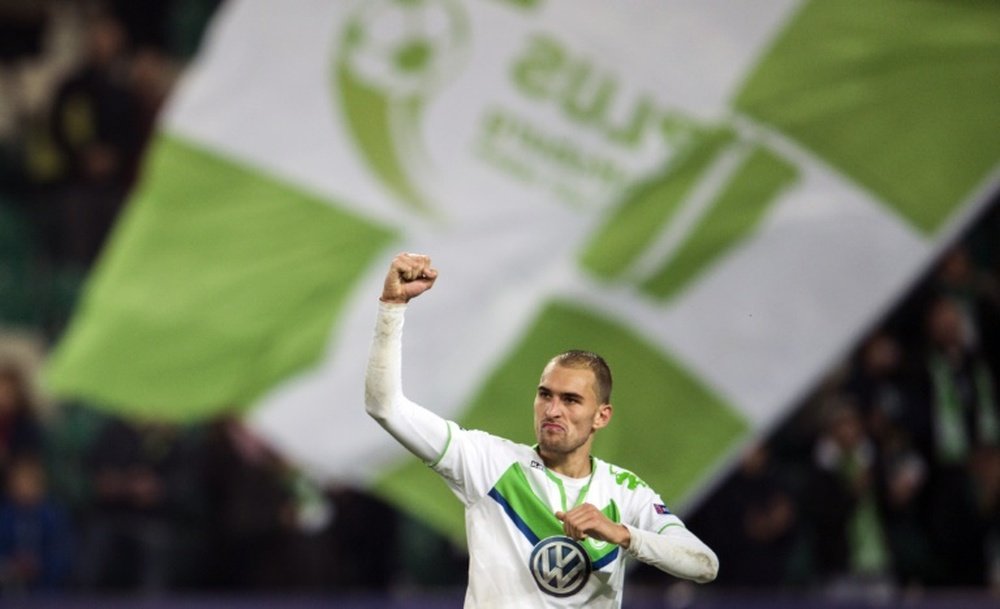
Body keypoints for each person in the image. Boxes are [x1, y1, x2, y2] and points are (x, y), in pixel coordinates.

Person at [364, 252, 718, 608]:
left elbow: (704, 564)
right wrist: (392, 307)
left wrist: (621, 534)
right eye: (545, 395)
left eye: (571, 400)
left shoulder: (624, 493)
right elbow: (385, 407)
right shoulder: (487, 462)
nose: (553, 410)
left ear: (602, 416)